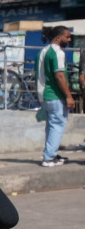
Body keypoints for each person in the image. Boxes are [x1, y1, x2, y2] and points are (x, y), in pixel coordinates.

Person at [36, 26, 74, 166]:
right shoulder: (58, 53)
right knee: (57, 125)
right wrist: (68, 96)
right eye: (67, 37)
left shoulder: (42, 51)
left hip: (45, 95)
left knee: (51, 126)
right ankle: (49, 158)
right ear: (58, 37)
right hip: (55, 95)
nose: (69, 40)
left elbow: (39, 75)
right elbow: (59, 76)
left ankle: (52, 153)